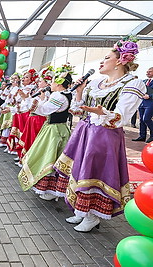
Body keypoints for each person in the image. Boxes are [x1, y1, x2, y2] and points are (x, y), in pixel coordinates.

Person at [54, 36, 146, 232]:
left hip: (105, 136)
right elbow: (79, 110)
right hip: (85, 132)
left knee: (95, 173)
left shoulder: (132, 84)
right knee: (80, 170)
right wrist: (79, 92)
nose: (101, 62)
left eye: (106, 58)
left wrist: (102, 113)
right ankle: (81, 210)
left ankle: (93, 216)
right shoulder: (96, 82)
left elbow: (121, 117)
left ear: (120, 61)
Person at [18, 64, 74, 201]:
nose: (51, 84)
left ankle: (51, 190)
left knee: (48, 158)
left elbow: (43, 110)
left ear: (59, 84)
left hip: (54, 131)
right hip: (59, 128)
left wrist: (30, 100)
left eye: (54, 81)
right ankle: (51, 189)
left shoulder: (58, 96)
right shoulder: (65, 94)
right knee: (52, 158)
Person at [132, 67, 153, 142]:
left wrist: (150, 96)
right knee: (141, 120)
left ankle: (152, 135)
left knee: (146, 119)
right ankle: (142, 136)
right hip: (142, 103)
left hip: (150, 103)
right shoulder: (144, 81)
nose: (147, 73)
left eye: (150, 71)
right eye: (147, 71)